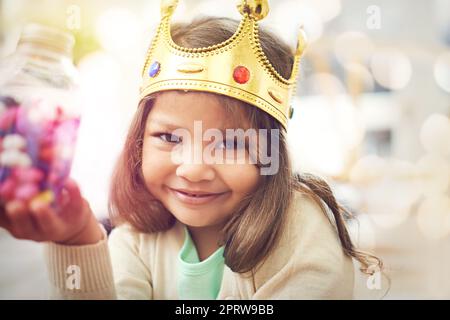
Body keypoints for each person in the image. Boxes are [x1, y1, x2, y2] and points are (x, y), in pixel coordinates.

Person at [0, 0, 381, 299]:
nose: (194, 168)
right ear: (138, 142)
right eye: (169, 138)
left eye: (231, 143)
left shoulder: (301, 228)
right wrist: (78, 239)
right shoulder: (136, 237)